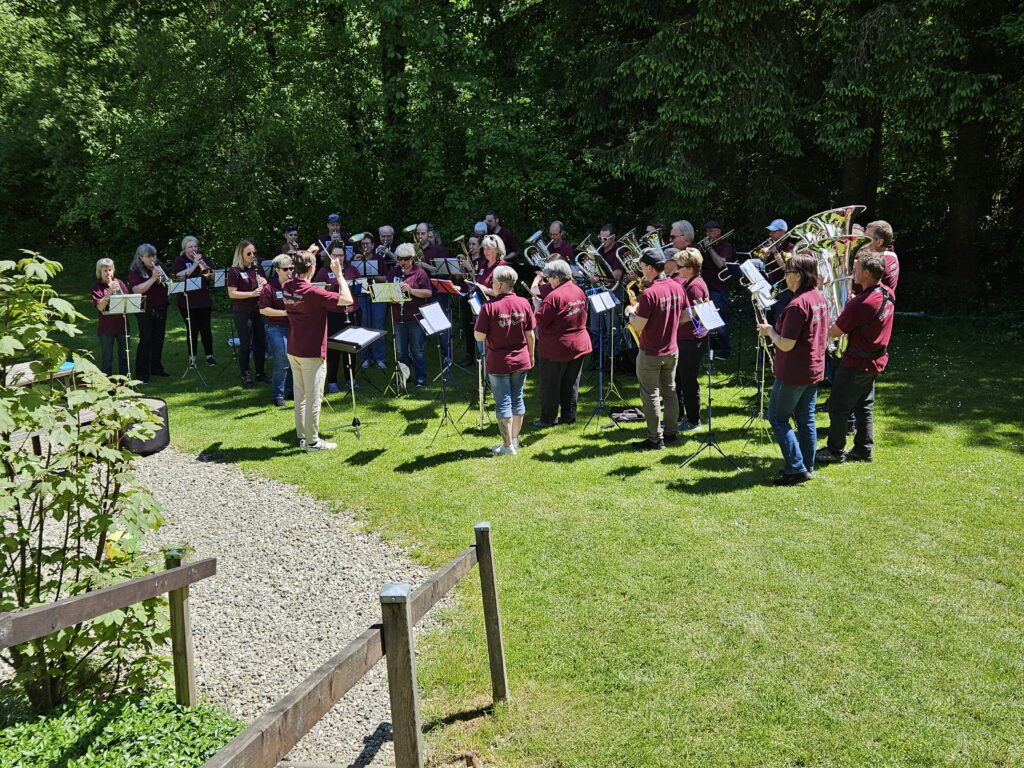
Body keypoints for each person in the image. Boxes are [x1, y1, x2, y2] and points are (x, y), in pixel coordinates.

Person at [816, 252, 895, 464]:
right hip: (875, 361)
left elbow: (835, 331)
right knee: (864, 406)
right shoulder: (886, 293)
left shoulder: (860, 304)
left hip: (856, 363)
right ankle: (863, 449)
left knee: (838, 406)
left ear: (867, 273)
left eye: (857, 268)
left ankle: (835, 451)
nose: (853, 271)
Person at [757, 253, 828, 485]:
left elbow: (786, 343)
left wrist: (769, 331)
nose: (784, 277)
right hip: (813, 368)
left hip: (794, 371)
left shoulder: (797, 305)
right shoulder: (818, 297)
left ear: (797, 276)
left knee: (777, 417)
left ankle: (796, 468)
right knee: (806, 418)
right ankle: (807, 465)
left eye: (787, 273)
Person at [282, 248, 354, 451]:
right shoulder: (313, 292)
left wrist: (306, 254)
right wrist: (339, 274)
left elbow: (300, 278)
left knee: (301, 396)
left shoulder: (287, 286)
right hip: (311, 350)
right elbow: (348, 300)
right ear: (312, 268)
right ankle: (312, 441)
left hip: (294, 347)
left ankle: (302, 437)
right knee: (314, 397)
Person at [624, 250, 687, 450]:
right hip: (672, 349)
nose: (641, 272)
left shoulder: (650, 293)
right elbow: (685, 317)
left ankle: (654, 438)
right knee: (670, 392)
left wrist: (630, 313)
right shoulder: (677, 286)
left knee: (650, 394)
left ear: (650, 268)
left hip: (651, 351)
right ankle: (671, 433)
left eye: (642, 268)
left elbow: (639, 325)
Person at [474, 265, 536, 455]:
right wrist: (532, 355)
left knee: (503, 403)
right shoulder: (524, 303)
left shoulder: (489, 307)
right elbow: (531, 334)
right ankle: (515, 441)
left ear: (500, 285)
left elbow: (479, 337)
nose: (491, 285)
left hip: (499, 361)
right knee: (518, 399)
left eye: (492, 282)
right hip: (521, 358)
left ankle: (508, 446)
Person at [533, 260, 591, 427]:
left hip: (557, 347)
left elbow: (541, 321)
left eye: (549, 278)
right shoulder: (579, 291)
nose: (548, 282)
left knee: (551, 384)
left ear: (557, 278)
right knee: (571, 383)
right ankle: (569, 416)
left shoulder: (553, 297)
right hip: (578, 343)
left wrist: (538, 307)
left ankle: (548, 419)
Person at [315, 243, 360, 393]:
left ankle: (350, 378)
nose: (338, 258)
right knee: (333, 348)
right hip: (333, 313)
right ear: (329, 256)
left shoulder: (351, 269)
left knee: (351, 347)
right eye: (335, 255)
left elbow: (360, 286)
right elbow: (318, 291)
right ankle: (332, 380)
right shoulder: (323, 271)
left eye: (341, 255)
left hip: (351, 311)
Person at [387, 242, 433, 387]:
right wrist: (390, 296)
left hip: (414, 317)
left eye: (405, 259)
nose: (402, 262)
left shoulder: (420, 272)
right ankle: (404, 378)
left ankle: (420, 377)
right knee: (401, 351)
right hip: (397, 316)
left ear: (411, 258)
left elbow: (428, 292)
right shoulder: (394, 272)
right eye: (400, 259)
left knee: (417, 349)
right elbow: (387, 289)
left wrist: (411, 290)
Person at [674, 247, 710, 431]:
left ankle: (694, 419)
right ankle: (679, 415)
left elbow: (690, 314)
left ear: (689, 267)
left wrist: (670, 319)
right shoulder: (689, 282)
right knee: (679, 378)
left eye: (679, 266)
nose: (676, 269)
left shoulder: (695, 286)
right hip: (686, 338)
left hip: (691, 339)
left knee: (688, 380)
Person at [227, 240, 268, 388]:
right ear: (241, 254)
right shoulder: (234, 271)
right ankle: (245, 374)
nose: (252, 256)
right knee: (246, 344)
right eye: (249, 253)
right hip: (243, 312)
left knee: (260, 342)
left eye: (254, 253)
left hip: (259, 310)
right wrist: (251, 293)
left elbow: (266, 286)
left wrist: (265, 283)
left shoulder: (257, 268)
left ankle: (260, 372)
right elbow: (232, 294)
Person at [127, 243, 169, 382]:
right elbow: (137, 289)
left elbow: (167, 283)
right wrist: (152, 278)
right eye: (149, 256)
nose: (153, 259)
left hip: (161, 307)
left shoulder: (159, 266)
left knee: (159, 339)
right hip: (144, 309)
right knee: (146, 340)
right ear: (141, 257)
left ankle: (156, 368)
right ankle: (142, 373)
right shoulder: (136, 270)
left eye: (154, 255)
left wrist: (164, 279)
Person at [172, 235, 216, 365]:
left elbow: (210, 277)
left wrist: (202, 265)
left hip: (203, 300)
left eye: (195, 246)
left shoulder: (203, 258)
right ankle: (192, 357)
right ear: (184, 248)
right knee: (192, 329)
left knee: (206, 329)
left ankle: (209, 356)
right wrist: (194, 265)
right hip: (187, 301)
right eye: (190, 247)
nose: (193, 249)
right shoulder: (180, 260)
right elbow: (179, 277)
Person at [259, 254, 295, 407]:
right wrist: (284, 313)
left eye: (292, 268)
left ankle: (291, 390)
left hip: (294, 327)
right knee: (282, 362)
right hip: (276, 328)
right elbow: (263, 310)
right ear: (277, 270)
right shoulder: (270, 288)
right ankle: (277, 395)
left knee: (294, 361)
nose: (290, 272)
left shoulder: (295, 284)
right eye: (286, 269)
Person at [700, 220, 733, 357]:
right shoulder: (704, 246)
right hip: (706, 286)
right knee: (705, 319)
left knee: (720, 320)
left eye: (711, 231)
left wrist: (710, 249)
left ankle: (726, 350)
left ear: (719, 231)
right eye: (707, 231)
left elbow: (720, 264)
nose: (708, 234)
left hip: (718, 288)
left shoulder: (726, 246)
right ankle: (708, 348)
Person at [91, 258, 129, 376]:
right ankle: (107, 385)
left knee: (124, 356)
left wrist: (117, 291)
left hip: (122, 325)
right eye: (105, 271)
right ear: (99, 272)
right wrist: (109, 292)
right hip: (106, 328)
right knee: (107, 358)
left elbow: (127, 302)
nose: (108, 273)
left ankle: (125, 382)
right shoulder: (96, 286)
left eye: (110, 270)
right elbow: (100, 307)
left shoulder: (120, 283)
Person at [356, 233, 388, 369]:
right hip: (362, 294)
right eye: (363, 244)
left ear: (373, 245)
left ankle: (379, 358)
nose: (366, 246)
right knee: (364, 325)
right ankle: (365, 358)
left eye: (368, 243)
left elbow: (386, 277)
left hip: (378, 294)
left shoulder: (379, 259)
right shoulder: (356, 259)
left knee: (378, 325)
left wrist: (373, 276)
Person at [853, 220, 899, 296]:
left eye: (867, 239)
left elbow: (856, 285)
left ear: (879, 242)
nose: (863, 242)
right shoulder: (889, 255)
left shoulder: (882, 261)